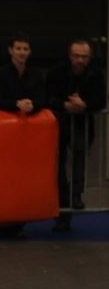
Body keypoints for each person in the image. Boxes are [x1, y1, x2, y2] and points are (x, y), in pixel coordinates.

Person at [46, 39, 106, 230]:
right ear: (70, 55)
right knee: (59, 166)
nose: (80, 60)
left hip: (82, 124)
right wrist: (65, 105)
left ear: (90, 57)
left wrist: (84, 105)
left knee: (79, 157)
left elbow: (101, 101)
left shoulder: (96, 74)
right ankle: (62, 207)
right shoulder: (56, 72)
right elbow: (47, 97)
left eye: (84, 57)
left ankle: (76, 195)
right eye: (76, 56)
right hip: (58, 124)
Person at [0, 33, 45, 115]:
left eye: (25, 49)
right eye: (18, 49)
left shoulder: (36, 74)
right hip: (6, 119)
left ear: (30, 51)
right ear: (10, 50)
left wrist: (32, 105)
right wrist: (17, 104)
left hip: (30, 119)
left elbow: (42, 99)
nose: (22, 52)